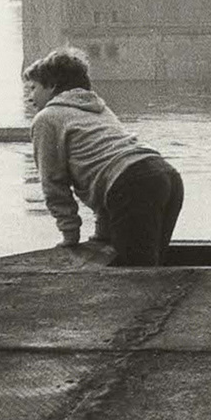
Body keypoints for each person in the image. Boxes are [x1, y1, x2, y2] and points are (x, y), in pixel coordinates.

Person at [22, 46, 184, 266]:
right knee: (152, 266)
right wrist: (102, 234)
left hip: (133, 183)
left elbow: (53, 183)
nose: (30, 97)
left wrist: (70, 237)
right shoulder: (97, 107)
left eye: (33, 88)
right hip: (164, 175)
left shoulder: (47, 118)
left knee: (136, 276)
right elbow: (103, 166)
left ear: (51, 86)